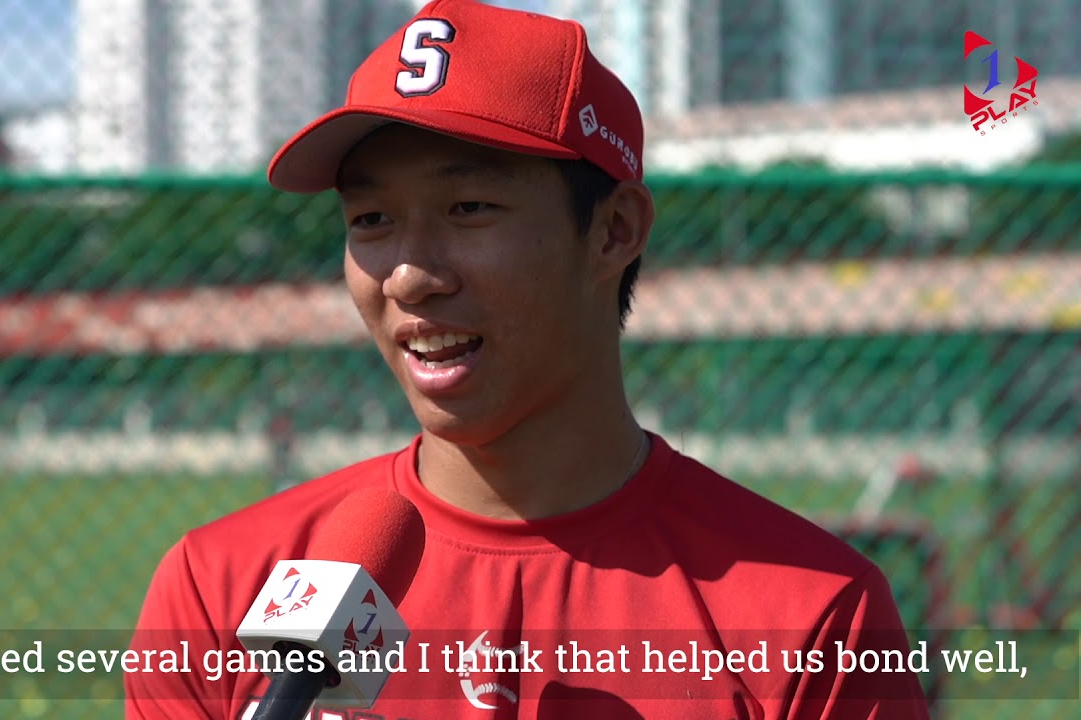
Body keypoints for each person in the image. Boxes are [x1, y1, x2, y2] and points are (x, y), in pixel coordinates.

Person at [126, 1, 931, 717]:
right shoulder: (218, 586)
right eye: (370, 218)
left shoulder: (816, 617)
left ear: (613, 231)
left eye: (469, 207)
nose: (409, 273)